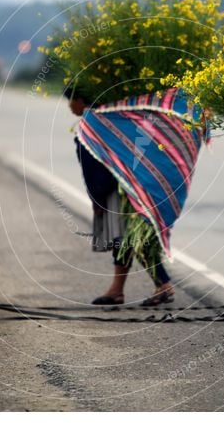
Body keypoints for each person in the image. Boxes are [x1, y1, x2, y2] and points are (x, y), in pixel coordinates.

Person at [67, 89, 175, 306]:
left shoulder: (92, 124)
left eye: (70, 101)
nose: (70, 107)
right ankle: (118, 290)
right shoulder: (113, 119)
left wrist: (97, 198)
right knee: (125, 239)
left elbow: (93, 166)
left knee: (133, 239)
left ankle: (162, 283)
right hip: (131, 187)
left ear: (80, 99)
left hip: (119, 191)